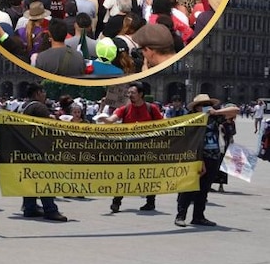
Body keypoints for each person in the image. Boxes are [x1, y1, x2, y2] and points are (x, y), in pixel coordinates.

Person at [98, 81, 163, 213]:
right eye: (128, 93)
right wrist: (103, 117)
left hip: (147, 149)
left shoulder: (152, 108)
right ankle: (116, 202)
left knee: (149, 175)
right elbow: (112, 120)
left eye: (132, 92)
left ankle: (150, 202)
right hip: (128, 148)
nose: (130, 95)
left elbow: (162, 125)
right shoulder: (125, 108)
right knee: (123, 175)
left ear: (141, 94)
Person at [175, 95, 239, 227]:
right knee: (188, 188)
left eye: (208, 104)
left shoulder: (215, 118)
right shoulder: (191, 120)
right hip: (195, 158)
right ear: (196, 107)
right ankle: (180, 216)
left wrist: (216, 112)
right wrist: (199, 160)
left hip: (213, 157)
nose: (206, 107)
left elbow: (235, 110)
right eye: (202, 105)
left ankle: (198, 216)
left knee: (204, 189)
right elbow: (188, 143)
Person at [18, 83, 68, 221]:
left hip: (24, 148)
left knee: (30, 179)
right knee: (45, 178)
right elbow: (50, 123)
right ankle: (50, 209)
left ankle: (30, 207)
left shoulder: (22, 106)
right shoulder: (38, 106)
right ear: (37, 93)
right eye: (43, 91)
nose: (45, 94)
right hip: (38, 149)